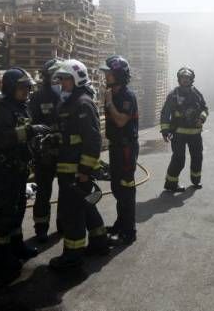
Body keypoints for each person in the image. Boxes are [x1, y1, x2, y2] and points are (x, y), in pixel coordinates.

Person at [0, 68, 48, 284]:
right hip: (6, 171)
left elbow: (24, 134)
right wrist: (30, 131)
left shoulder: (21, 108)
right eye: (23, 87)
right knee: (5, 213)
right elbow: (3, 139)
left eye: (28, 87)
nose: (27, 91)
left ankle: (17, 247)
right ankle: (0, 261)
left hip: (19, 170)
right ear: (11, 87)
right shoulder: (2, 110)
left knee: (18, 209)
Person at [50, 59, 108, 270]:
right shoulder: (67, 103)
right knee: (86, 205)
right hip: (68, 169)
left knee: (72, 214)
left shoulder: (83, 103)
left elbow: (93, 141)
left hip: (77, 172)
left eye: (65, 79)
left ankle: (72, 258)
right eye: (61, 79)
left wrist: (84, 171)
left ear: (77, 79)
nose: (62, 83)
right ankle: (100, 242)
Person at [100, 55, 139, 246]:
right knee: (117, 187)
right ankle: (120, 223)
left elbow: (121, 120)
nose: (106, 76)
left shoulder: (126, 96)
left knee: (126, 189)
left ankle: (129, 231)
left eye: (108, 73)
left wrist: (108, 103)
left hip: (126, 149)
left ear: (118, 74)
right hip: (117, 147)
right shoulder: (112, 93)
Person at [28, 59, 62, 242]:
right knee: (43, 192)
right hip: (44, 153)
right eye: (55, 75)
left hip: (65, 152)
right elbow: (31, 125)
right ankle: (41, 228)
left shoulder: (69, 95)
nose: (58, 79)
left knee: (66, 191)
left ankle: (63, 225)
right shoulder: (38, 97)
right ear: (47, 76)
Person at [160, 67, 208, 192]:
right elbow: (165, 113)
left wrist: (201, 119)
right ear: (179, 79)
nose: (185, 80)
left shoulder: (196, 93)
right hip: (178, 133)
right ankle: (171, 184)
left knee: (197, 157)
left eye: (187, 78)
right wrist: (165, 131)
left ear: (191, 79)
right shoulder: (173, 95)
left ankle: (196, 180)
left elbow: (205, 109)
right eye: (183, 78)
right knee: (179, 159)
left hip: (195, 133)